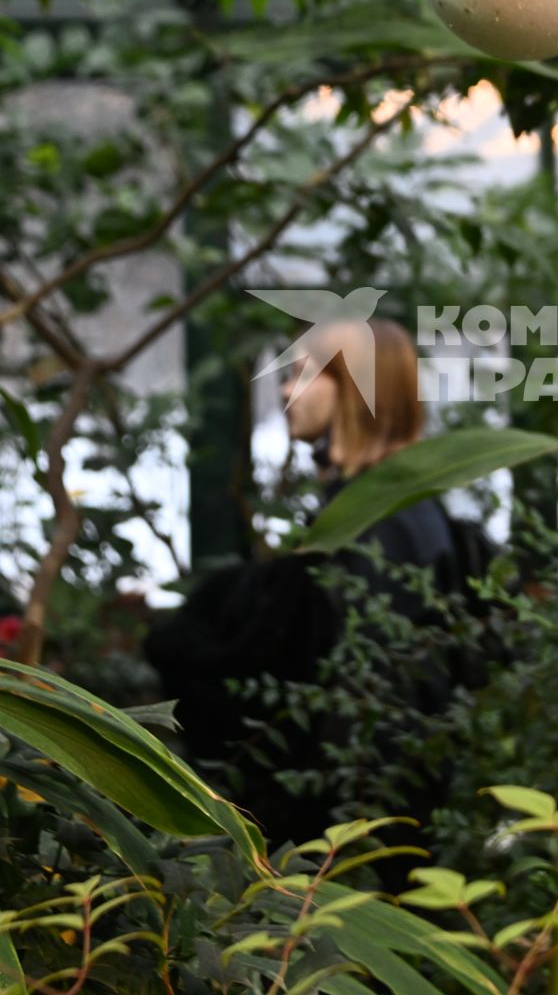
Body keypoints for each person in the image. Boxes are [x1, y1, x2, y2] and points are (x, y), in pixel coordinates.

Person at [145, 318, 494, 846]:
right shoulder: (392, 503)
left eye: (303, 375)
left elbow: (360, 689)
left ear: (354, 388)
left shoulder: (377, 520)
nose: (286, 391)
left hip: (359, 831)